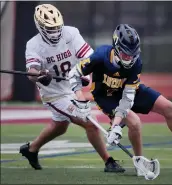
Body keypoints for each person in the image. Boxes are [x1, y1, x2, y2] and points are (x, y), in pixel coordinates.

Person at [68, 24, 172, 176]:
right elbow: (74, 73)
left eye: (133, 54)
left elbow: (127, 98)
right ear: (117, 48)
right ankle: (140, 162)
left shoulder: (136, 63)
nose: (130, 58)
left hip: (127, 91)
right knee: (135, 123)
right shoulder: (100, 56)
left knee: (168, 107)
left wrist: (116, 125)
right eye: (126, 54)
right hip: (107, 96)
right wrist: (79, 98)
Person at [19, 4, 125, 173]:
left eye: (56, 27)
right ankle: (108, 161)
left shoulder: (71, 33)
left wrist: (84, 73)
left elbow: (89, 57)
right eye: (49, 28)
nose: (54, 31)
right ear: (40, 26)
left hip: (72, 87)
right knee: (89, 122)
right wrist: (40, 74)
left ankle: (31, 150)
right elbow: (31, 72)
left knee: (60, 126)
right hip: (54, 94)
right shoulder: (33, 45)